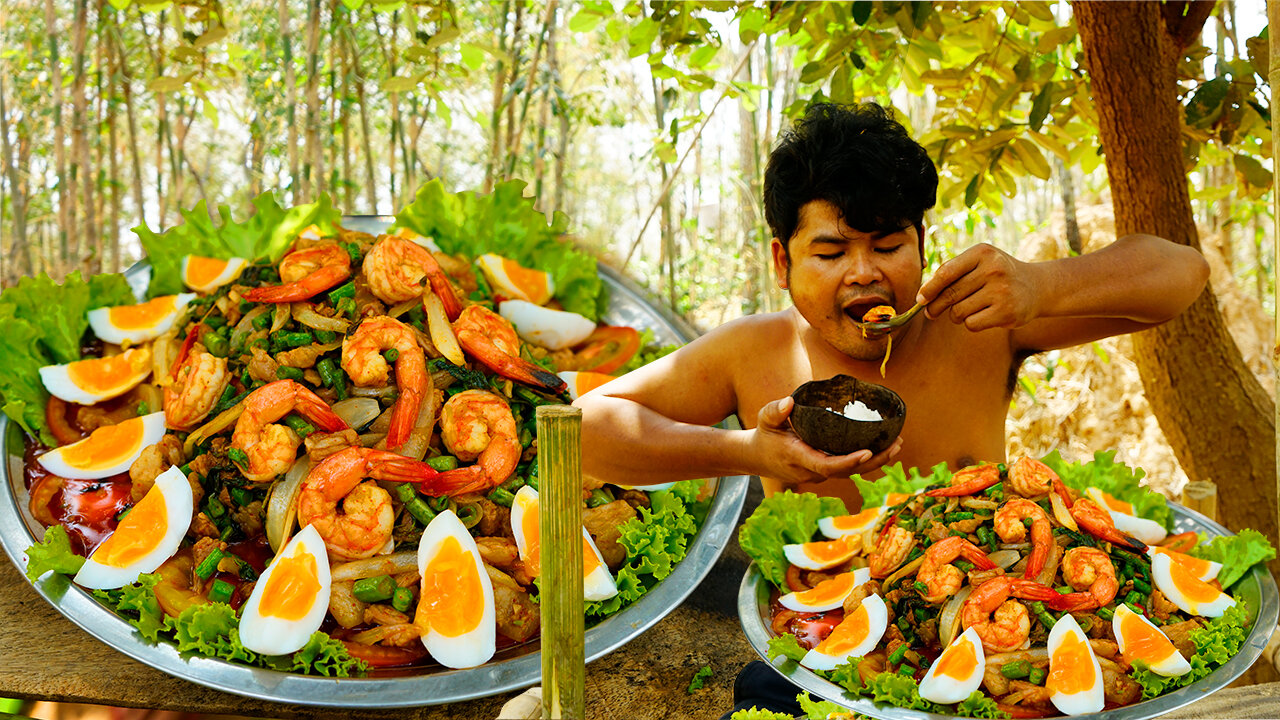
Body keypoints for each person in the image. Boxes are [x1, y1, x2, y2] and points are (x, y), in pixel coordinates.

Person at [573, 102, 1210, 717]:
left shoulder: (982, 324)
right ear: (780, 260)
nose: (863, 274)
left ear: (923, 245)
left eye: (887, 246)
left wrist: (1044, 286)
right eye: (829, 253)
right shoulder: (752, 352)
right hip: (828, 652)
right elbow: (580, 429)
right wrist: (743, 451)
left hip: (995, 658)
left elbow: (1183, 273)